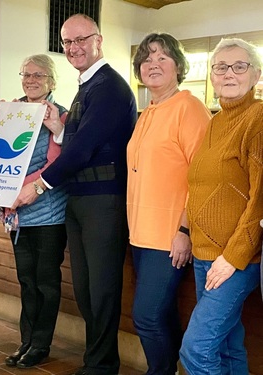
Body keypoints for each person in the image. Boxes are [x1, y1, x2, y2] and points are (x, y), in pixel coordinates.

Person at [12, 14, 137, 375]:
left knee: (101, 291)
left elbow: (83, 152)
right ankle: (95, 361)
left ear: (99, 40)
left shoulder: (109, 86)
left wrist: (37, 185)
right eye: (67, 42)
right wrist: (59, 130)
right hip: (81, 202)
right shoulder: (87, 86)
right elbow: (82, 143)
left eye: (81, 39)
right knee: (85, 291)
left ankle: (101, 366)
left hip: (103, 201)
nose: (74, 47)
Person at [126, 33, 211, 375]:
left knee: (145, 316)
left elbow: (202, 177)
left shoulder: (189, 108)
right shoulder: (148, 111)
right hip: (139, 234)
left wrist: (184, 229)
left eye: (162, 58)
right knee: (161, 313)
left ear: (178, 65)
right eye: (146, 59)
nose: (153, 64)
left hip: (168, 237)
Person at [179, 38, 263, 374]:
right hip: (204, 254)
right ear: (211, 76)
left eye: (239, 66)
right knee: (228, 347)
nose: (229, 73)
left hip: (234, 259)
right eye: (221, 67)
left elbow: (260, 198)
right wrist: (185, 231)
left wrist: (233, 257)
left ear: (255, 75)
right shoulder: (215, 121)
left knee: (196, 350)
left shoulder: (258, 118)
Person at [0, 54, 68, 369]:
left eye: (39, 75)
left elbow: (58, 164)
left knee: (45, 282)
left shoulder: (61, 115)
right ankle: (26, 340)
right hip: (19, 216)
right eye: (26, 74)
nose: (31, 80)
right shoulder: (13, 114)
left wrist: (18, 190)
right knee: (26, 280)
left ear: (51, 81)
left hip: (50, 214)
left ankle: (41, 344)